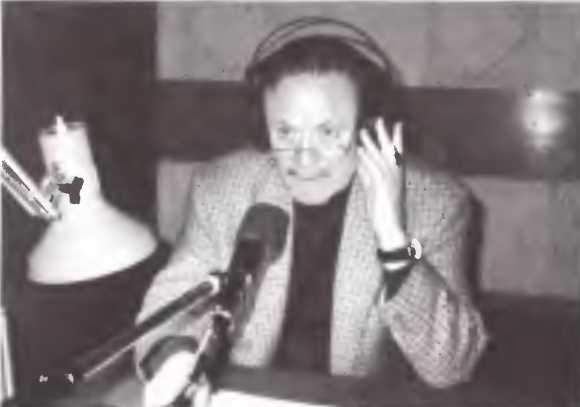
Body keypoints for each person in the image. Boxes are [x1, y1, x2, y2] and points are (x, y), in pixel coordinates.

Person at [134, 17, 488, 406]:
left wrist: (393, 239)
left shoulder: (433, 203)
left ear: (367, 127)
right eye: (285, 132)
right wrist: (174, 359)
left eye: (328, 132)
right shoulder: (222, 189)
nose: (304, 158)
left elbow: (451, 366)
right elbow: (170, 306)